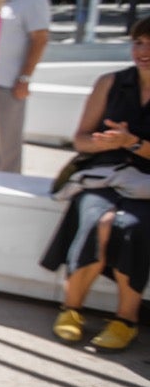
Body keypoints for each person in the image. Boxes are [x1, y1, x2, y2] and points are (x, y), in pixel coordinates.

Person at [40, 19, 150, 350]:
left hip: (145, 183)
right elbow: (81, 139)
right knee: (95, 221)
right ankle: (71, 310)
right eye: (139, 43)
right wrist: (101, 143)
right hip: (103, 174)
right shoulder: (111, 82)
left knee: (132, 227)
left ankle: (125, 320)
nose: (143, 51)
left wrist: (132, 142)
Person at [0, 0, 52, 173]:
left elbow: (39, 39)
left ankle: (9, 184)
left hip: (8, 83)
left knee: (7, 144)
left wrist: (25, 78)